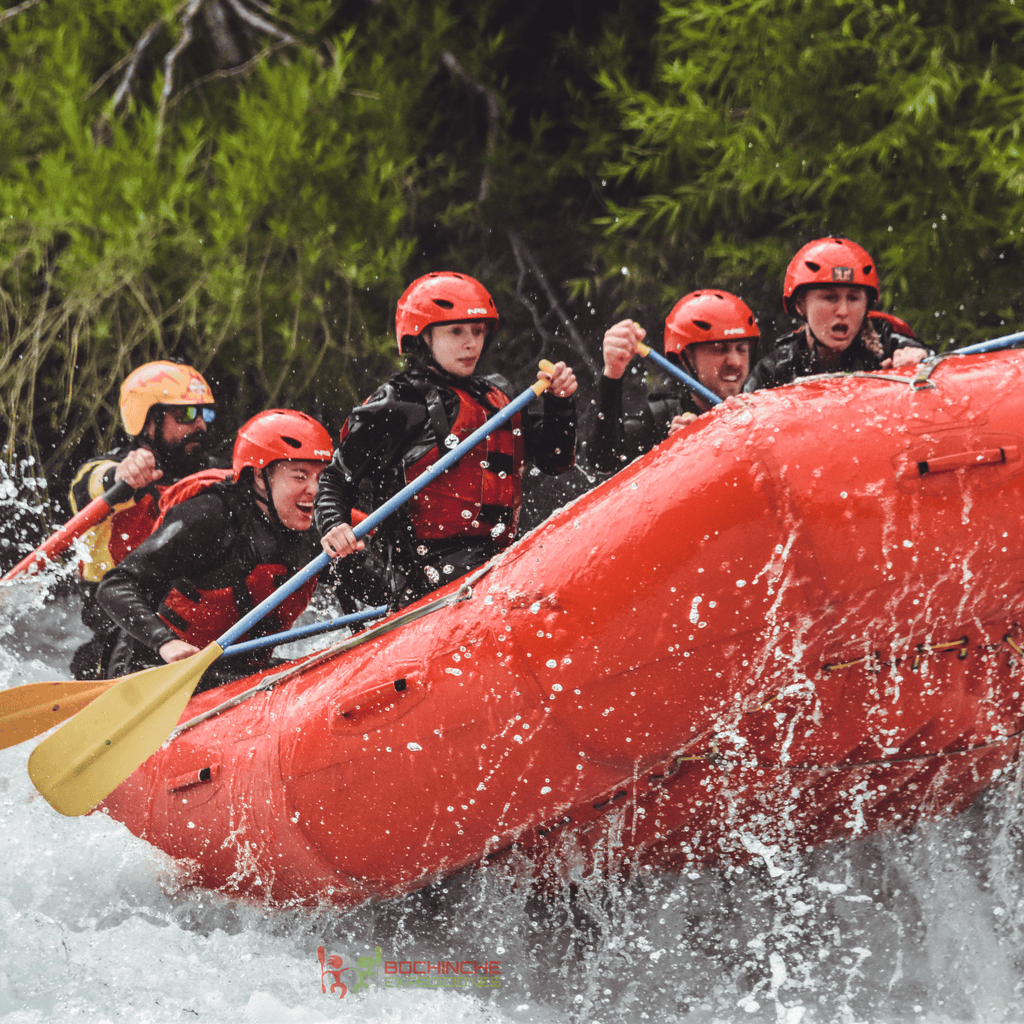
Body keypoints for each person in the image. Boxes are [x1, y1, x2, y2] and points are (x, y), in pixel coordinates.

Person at [316, 271, 578, 609]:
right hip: (426, 585)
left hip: (499, 564)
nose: (471, 343)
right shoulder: (398, 403)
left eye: (478, 332)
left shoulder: (498, 396)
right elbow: (336, 479)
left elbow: (555, 459)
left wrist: (559, 402)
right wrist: (334, 524)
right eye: (456, 332)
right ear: (424, 337)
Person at [96, 409, 333, 688]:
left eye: (321, 477)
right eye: (300, 476)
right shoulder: (210, 516)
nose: (314, 490)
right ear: (260, 475)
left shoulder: (318, 526)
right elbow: (114, 586)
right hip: (159, 669)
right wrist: (167, 644)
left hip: (234, 672)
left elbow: (379, 594)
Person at [68, 360, 217, 680]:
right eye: (186, 415)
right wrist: (122, 476)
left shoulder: (211, 477)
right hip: (120, 626)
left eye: (205, 413)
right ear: (148, 422)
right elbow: (90, 486)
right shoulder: (109, 472)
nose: (201, 425)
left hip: (188, 622)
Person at [587, 289, 759, 473]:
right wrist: (613, 373)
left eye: (741, 349)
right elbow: (603, 461)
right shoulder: (661, 421)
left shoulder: (764, 408)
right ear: (687, 357)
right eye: (720, 349)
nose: (735, 362)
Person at [744, 236, 930, 392]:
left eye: (853, 299)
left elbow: (936, 364)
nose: (843, 311)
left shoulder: (888, 343)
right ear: (800, 305)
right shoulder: (774, 371)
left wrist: (919, 359)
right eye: (830, 298)